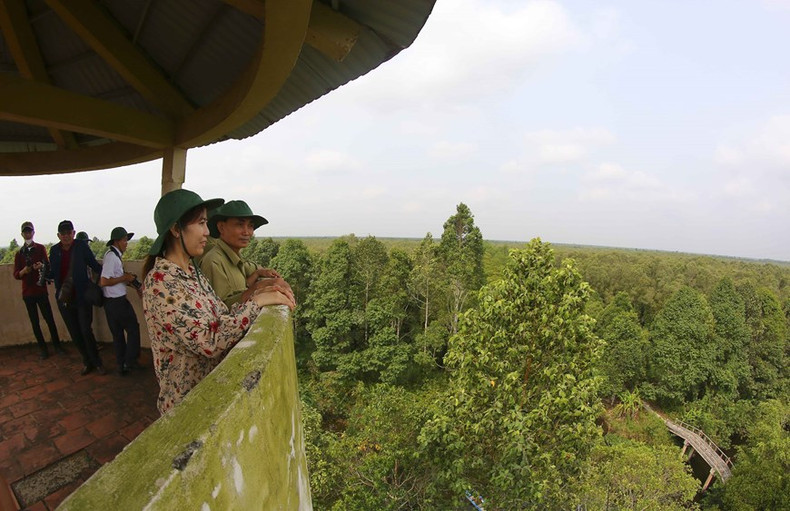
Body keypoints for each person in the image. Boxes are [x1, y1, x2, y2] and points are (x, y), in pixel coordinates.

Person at [142, 189, 295, 414]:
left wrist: (259, 294)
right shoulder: (161, 282)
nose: (207, 232)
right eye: (201, 223)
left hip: (209, 393)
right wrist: (257, 302)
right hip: (187, 407)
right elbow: (208, 340)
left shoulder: (192, 273)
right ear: (176, 229)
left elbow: (222, 315)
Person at [199, 200, 289, 307]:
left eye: (250, 226)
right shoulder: (214, 261)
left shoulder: (235, 258)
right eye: (240, 225)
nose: (246, 232)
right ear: (221, 227)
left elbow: (249, 275)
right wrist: (258, 287)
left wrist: (261, 274)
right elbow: (221, 308)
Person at [49, 220, 106, 375]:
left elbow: (95, 266)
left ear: (73, 233)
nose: (66, 236)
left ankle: (97, 362)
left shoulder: (81, 247)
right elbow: (52, 273)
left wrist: (106, 277)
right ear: (58, 235)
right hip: (65, 299)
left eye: (69, 233)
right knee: (75, 333)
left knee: (86, 331)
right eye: (63, 234)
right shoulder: (54, 251)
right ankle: (87, 362)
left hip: (82, 297)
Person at [13, 221, 63, 359]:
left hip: (40, 289)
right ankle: (43, 349)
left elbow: (47, 265)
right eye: (25, 232)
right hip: (28, 292)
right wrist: (24, 270)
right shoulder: (19, 254)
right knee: (35, 322)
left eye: (30, 231)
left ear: (33, 232)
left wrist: (40, 266)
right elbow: (16, 274)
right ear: (22, 234)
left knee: (49, 319)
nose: (28, 234)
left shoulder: (40, 248)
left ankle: (57, 346)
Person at [100, 227, 142, 375]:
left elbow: (113, 278)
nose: (126, 243)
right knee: (133, 329)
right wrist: (125, 278)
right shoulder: (112, 257)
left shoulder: (112, 255)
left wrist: (128, 280)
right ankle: (130, 361)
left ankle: (121, 364)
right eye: (124, 240)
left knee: (117, 334)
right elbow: (104, 281)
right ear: (117, 241)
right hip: (117, 302)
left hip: (110, 303)